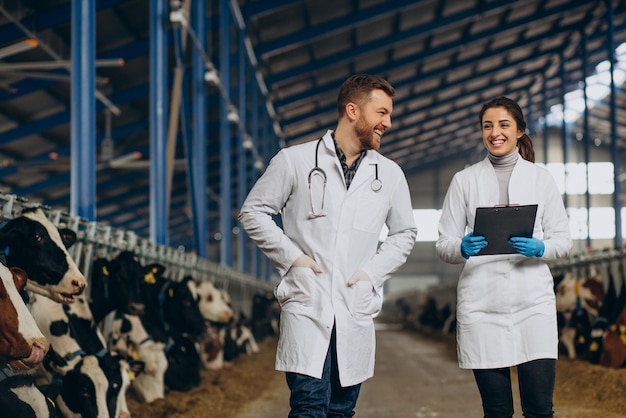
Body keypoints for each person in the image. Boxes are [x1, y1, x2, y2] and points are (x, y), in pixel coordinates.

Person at [238, 74, 417, 417]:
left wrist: (371, 274)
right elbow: (253, 212)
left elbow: (404, 233)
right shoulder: (295, 161)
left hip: (355, 304)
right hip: (308, 302)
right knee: (309, 406)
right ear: (353, 110)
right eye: (381, 113)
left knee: (341, 410)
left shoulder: (390, 174)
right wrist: (293, 260)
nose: (388, 123)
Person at [436, 96, 572, 418]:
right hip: (482, 307)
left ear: (520, 130)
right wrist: (460, 248)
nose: (494, 132)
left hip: (533, 306)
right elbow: (444, 242)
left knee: (539, 410)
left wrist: (541, 248)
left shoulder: (541, 179)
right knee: (497, 411)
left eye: (503, 124)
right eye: (487, 126)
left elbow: (563, 240)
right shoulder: (464, 180)